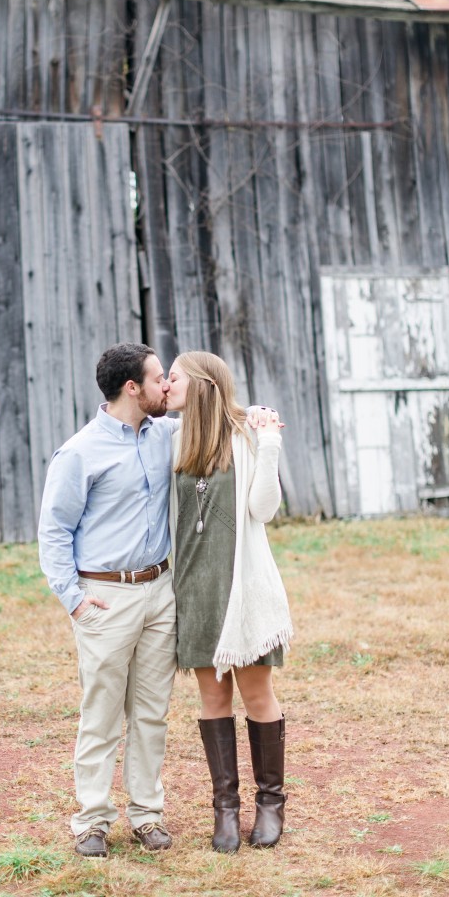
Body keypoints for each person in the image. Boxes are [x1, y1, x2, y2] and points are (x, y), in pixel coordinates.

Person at [38, 343, 177, 859]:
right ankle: (92, 820)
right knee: (101, 712)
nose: (168, 386)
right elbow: (54, 532)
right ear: (131, 387)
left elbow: (214, 421)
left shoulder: (167, 433)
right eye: (160, 378)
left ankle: (146, 815)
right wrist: (74, 600)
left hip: (161, 592)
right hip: (104, 596)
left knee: (151, 712)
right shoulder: (80, 452)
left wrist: (250, 415)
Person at [165, 351, 293, 854]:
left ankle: (270, 804)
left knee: (256, 694)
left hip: (243, 588)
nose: (165, 386)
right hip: (195, 588)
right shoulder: (173, 439)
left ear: (200, 383)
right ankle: (225, 810)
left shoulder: (246, 434)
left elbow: (264, 508)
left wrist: (271, 442)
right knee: (213, 699)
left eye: (172, 378)